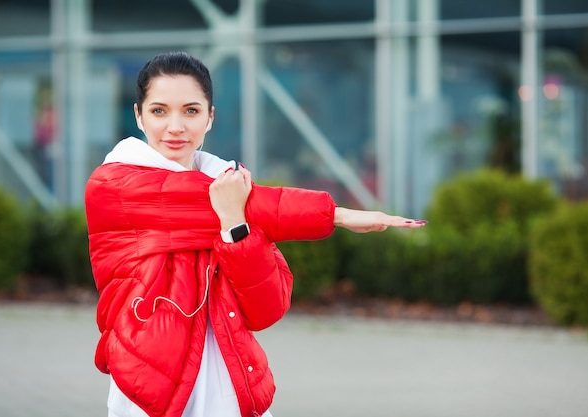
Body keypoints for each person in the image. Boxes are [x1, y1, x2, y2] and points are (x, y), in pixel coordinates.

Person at [84, 51, 427, 417]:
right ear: (138, 115)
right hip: (152, 381)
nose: (175, 126)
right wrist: (338, 215)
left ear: (210, 117)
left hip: (228, 381)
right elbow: (249, 205)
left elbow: (266, 308)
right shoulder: (113, 185)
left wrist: (234, 225)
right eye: (159, 111)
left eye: (191, 111)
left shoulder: (233, 193)